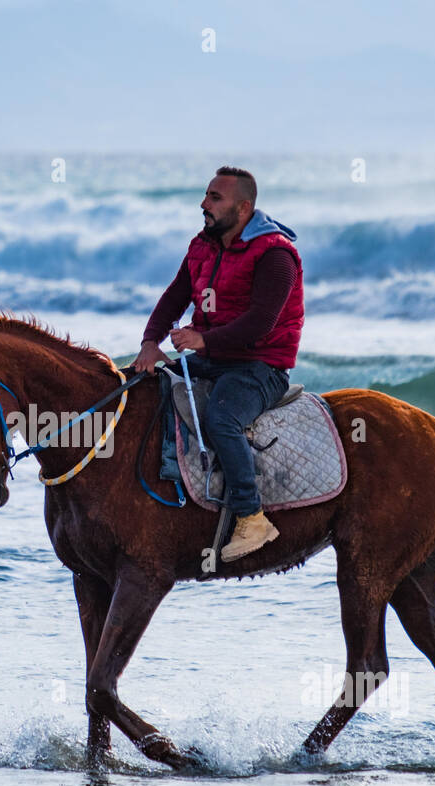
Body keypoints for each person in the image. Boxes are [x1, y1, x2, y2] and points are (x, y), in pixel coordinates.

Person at [133, 165, 305, 562]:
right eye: (206, 195)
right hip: (212, 357)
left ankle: (251, 516)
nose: (203, 204)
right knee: (140, 385)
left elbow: (261, 323)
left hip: (260, 366)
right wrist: (148, 343)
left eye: (215, 198)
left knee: (222, 419)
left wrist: (203, 340)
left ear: (243, 208)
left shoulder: (276, 254)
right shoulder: (202, 246)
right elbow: (174, 297)